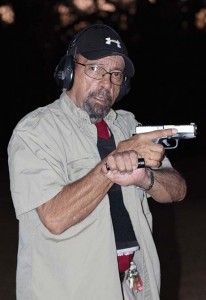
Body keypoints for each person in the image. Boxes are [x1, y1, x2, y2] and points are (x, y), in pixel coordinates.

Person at [7, 23, 187, 300]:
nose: (106, 83)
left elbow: (177, 189)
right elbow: (54, 218)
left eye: (116, 74)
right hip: (68, 291)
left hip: (130, 288)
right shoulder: (36, 131)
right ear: (68, 72)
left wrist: (145, 178)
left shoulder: (128, 126)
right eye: (94, 69)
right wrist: (113, 163)